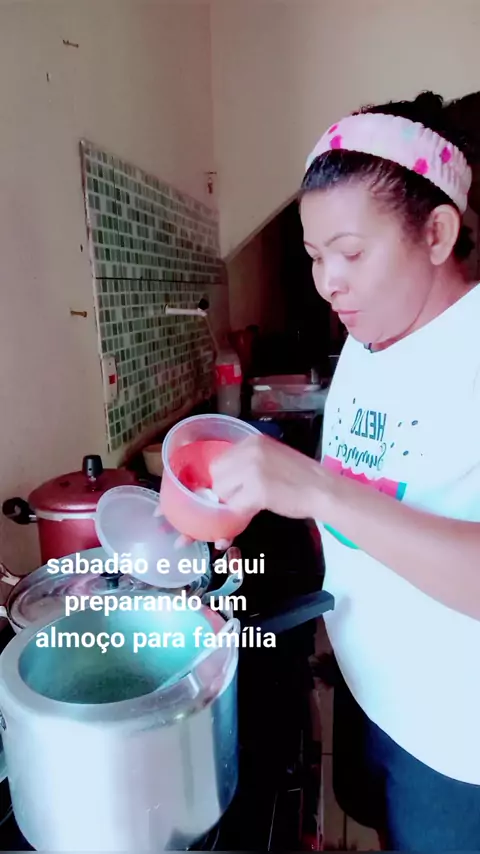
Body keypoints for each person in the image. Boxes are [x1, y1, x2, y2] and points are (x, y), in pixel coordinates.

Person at [206, 91, 480, 851]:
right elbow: (367, 495)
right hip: (373, 691)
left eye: (351, 253)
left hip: (460, 744)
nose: (328, 281)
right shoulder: (367, 340)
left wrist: (314, 489)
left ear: (437, 232)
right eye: (314, 255)